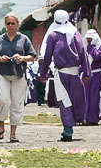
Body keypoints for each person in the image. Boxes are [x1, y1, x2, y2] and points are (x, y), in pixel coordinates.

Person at [37, 9, 90, 141]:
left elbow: (48, 56)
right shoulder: (75, 34)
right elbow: (83, 53)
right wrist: (87, 72)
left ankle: (68, 131)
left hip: (61, 74)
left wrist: (43, 74)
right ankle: (70, 127)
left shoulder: (53, 35)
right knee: (73, 100)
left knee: (64, 101)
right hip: (74, 74)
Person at [0, 14, 35, 141]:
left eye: (13, 23)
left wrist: (22, 58)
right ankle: (1, 126)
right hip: (3, 73)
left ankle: (13, 133)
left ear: (17, 24)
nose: (10, 26)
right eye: (8, 24)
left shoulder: (24, 39)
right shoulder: (0, 39)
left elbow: (32, 55)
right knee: (4, 100)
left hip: (18, 74)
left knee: (16, 104)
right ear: (5, 25)